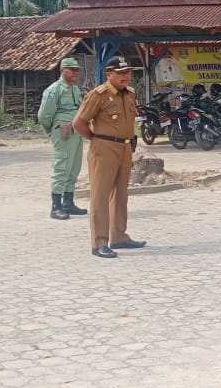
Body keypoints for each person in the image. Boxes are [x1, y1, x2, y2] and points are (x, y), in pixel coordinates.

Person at [72, 56, 146, 258]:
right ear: (109, 74)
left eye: (128, 72)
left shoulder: (129, 94)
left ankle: (119, 236)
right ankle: (99, 242)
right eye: (120, 73)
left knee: (121, 195)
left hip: (125, 148)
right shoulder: (99, 95)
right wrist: (97, 140)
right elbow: (79, 123)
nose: (126, 76)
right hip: (104, 148)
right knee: (100, 196)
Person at [37, 57, 87, 221]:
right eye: (71, 69)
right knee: (62, 166)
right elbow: (44, 115)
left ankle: (68, 203)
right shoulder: (54, 90)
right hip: (64, 132)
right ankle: (56, 206)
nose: (75, 72)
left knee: (74, 167)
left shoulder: (75, 89)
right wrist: (52, 131)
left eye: (77, 69)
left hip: (76, 132)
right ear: (62, 70)